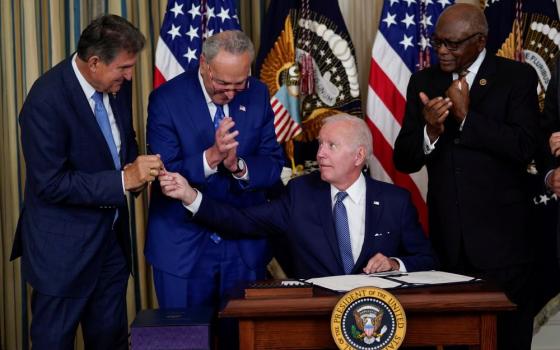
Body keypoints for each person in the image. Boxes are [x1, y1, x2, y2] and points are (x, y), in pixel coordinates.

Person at [9, 15, 163, 350]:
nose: (130, 76)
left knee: (110, 342)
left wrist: (137, 172)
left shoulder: (116, 86)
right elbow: (50, 184)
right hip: (62, 253)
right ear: (94, 62)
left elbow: (126, 142)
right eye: (123, 67)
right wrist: (123, 179)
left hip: (110, 248)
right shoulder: (45, 100)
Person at [393, 3, 538, 349]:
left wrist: (467, 117)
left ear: (480, 41)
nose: (442, 51)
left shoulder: (516, 78)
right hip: (448, 247)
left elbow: (525, 148)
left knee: (507, 340)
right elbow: (403, 160)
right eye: (437, 42)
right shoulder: (424, 81)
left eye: (452, 44)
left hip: (505, 248)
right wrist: (430, 129)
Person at [158, 114, 437, 278]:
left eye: (331, 145)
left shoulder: (395, 201)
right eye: (320, 144)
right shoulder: (301, 193)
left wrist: (394, 264)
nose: (319, 154)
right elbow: (240, 220)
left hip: (377, 323)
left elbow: (426, 259)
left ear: (359, 156)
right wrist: (190, 195)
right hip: (315, 320)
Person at [145, 30, 284, 311]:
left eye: (239, 83)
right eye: (222, 83)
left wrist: (238, 166)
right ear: (204, 65)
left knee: (243, 339)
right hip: (183, 245)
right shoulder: (166, 99)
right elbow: (165, 175)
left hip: (243, 247)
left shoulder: (257, 93)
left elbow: (273, 164)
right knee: (185, 341)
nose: (230, 92)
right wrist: (212, 156)